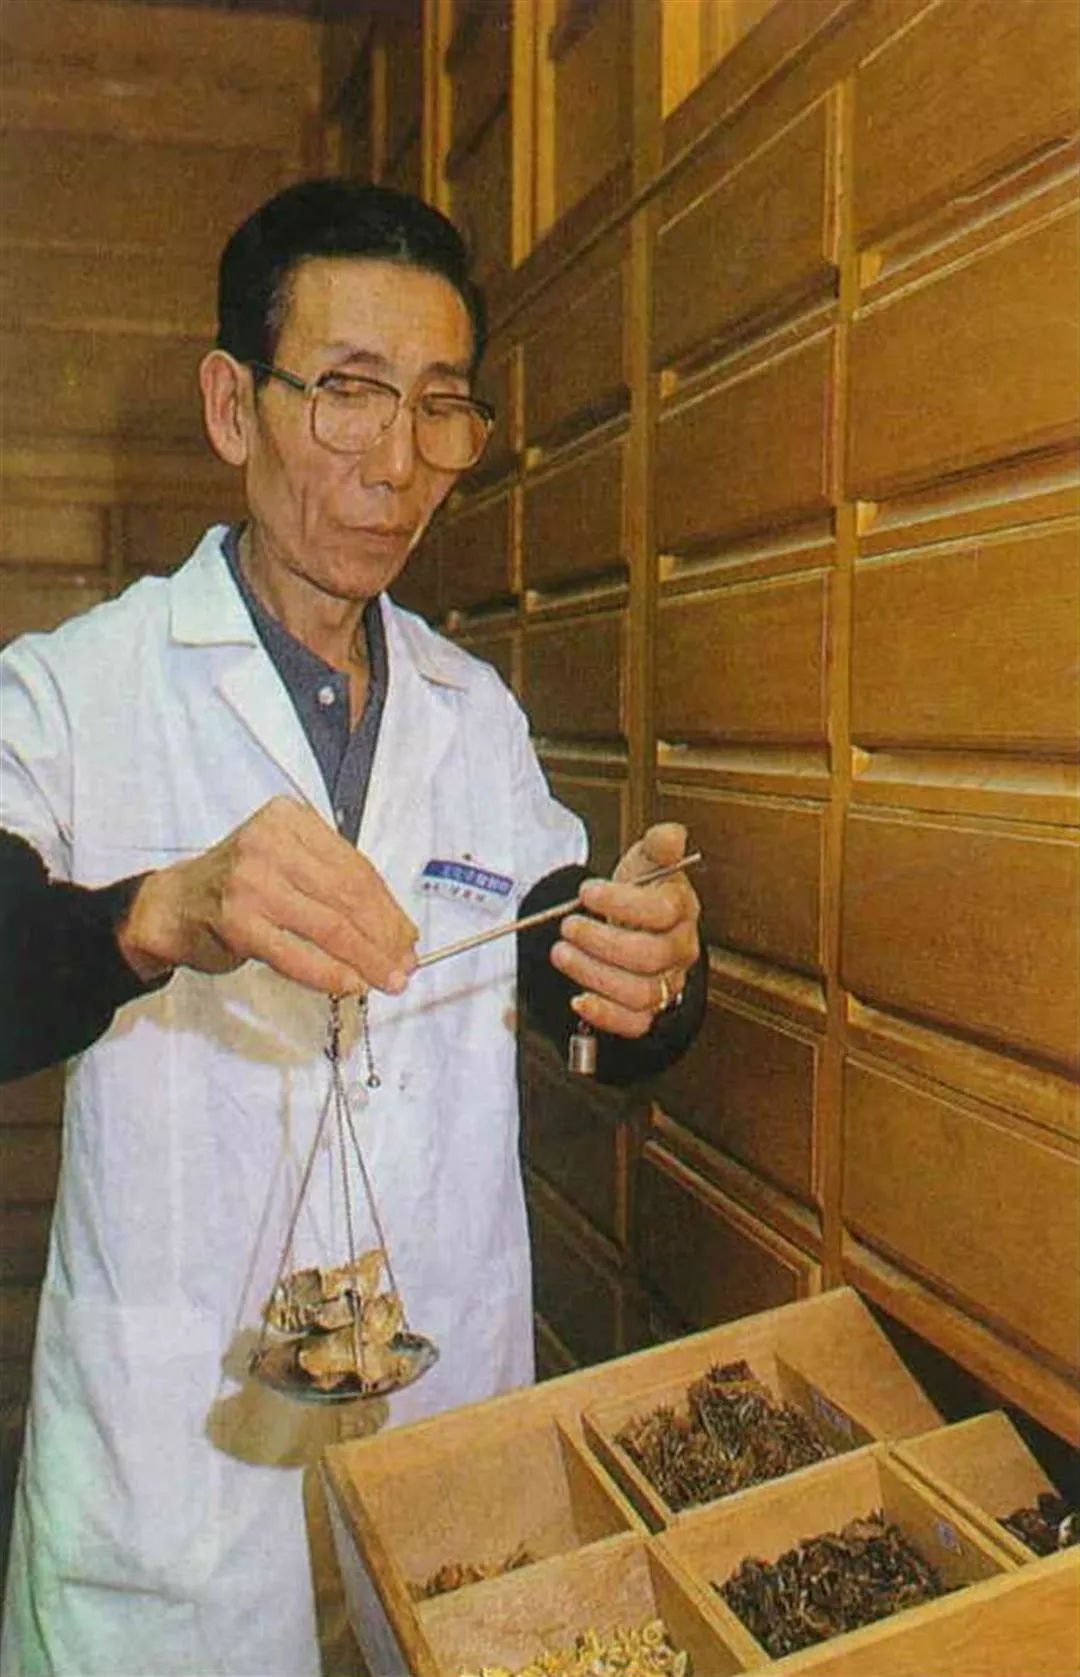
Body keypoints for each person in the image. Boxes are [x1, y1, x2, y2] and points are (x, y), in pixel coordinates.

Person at [0, 180, 704, 1677]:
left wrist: (646, 978)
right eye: (349, 393)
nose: (397, 464)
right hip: (177, 1487)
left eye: (440, 408)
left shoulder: (472, 712)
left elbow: (567, 984)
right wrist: (154, 913)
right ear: (231, 406)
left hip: (443, 1435)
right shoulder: (76, 691)